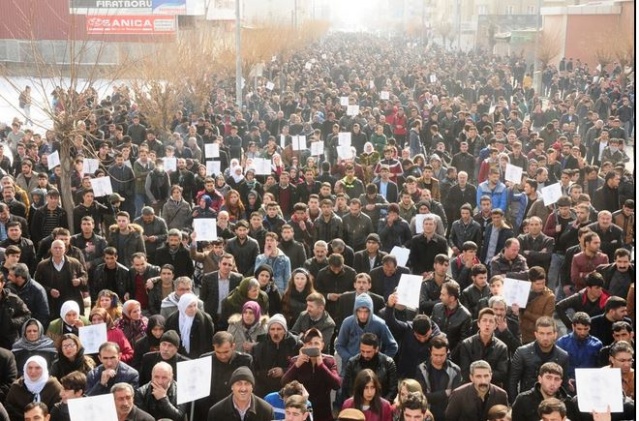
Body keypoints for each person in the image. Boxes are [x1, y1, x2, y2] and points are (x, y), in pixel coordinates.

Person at [282, 328, 341, 421]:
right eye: (309, 344)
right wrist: (297, 365)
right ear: (304, 346)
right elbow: (284, 381)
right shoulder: (296, 360)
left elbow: (337, 384)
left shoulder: (329, 361)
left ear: (322, 345)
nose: (313, 347)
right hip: (302, 412)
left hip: (323, 413)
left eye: (316, 344)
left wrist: (321, 365)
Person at [508, 317, 569, 402]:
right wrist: (515, 405)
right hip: (527, 402)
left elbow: (564, 385)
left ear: (555, 334)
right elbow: (512, 381)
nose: (545, 337)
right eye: (541, 333)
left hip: (552, 404)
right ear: (536, 334)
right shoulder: (522, 352)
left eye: (549, 333)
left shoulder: (563, 356)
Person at [336, 293, 398, 370]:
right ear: (355, 311)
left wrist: (381, 362)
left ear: (371, 311)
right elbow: (339, 345)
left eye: (366, 312)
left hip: (373, 369)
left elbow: (392, 346)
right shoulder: (347, 323)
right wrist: (350, 359)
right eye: (359, 311)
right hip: (350, 368)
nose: (362, 315)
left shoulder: (380, 324)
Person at [34, 240, 86, 323]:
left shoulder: (74, 263)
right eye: (55, 248)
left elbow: (84, 276)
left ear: (64, 249)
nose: (58, 250)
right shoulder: (42, 265)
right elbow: (37, 284)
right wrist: (49, 290)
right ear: (51, 250)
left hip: (72, 300)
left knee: (73, 324)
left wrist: (79, 281)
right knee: (55, 327)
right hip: (52, 303)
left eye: (60, 248)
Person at [457, 308, 509, 387]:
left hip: (492, 388)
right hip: (471, 387)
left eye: (491, 321)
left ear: (495, 326)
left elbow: (502, 374)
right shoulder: (467, 344)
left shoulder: (501, 347)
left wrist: (480, 375)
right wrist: (483, 375)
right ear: (478, 323)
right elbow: (465, 372)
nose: (487, 324)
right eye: (484, 320)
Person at [251, 314, 301, 396]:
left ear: (285, 331)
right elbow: (255, 371)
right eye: (272, 329)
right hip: (265, 391)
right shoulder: (259, 347)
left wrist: (283, 371)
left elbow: (301, 369)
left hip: (290, 391)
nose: (275, 333)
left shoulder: (295, 345)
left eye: (279, 329)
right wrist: (267, 373)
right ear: (268, 331)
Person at [341, 333, 398, 404]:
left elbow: (393, 389)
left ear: (376, 349)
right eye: (362, 351)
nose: (365, 355)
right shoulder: (352, 363)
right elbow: (347, 389)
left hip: (381, 406)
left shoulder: (388, 363)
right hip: (358, 405)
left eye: (368, 352)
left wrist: (382, 405)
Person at [444, 360, 508, 421]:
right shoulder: (458, 394)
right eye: (478, 376)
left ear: (491, 376)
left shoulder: (501, 395)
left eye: (486, 376)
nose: (483, 381)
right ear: (471, 377)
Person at [5, 356, 63, 421]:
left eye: (37, 368)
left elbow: (59, 410)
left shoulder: (54, 386)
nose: (33, 371)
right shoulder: (17, 387)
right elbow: (10, 409)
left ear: (44, 369)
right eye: (29, 368)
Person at [207, 367, 274, 421]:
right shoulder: (216, 412)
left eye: (247, 383)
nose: (243, 388)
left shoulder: (266, 410)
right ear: (232, 387)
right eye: (239, 384)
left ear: (252, 387)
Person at [165, 293, 214, 359]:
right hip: (178, 357)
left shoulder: (205, 319)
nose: (193, 309)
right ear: (183, 306)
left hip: (199, 358)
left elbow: (209, 341)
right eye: (189, 306)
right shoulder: (172, 319)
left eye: (195, 305)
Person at [430, 280, 471, 354]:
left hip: (453, 355)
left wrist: (449, 355)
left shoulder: (465, 316)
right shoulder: (436, 308)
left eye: (443, 295)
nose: (440, 297)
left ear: (452, 298)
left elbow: (462, 342)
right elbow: (431, 329)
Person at [6, 263, 49, 329]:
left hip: (29, 329)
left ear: (19, 277)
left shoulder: (38, 290)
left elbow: (43, 315)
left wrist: (34, 330)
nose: (8, 277)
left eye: (11, 275)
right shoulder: (8, 287)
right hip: (12, 330)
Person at [520, 267, 555, 344]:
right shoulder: (522, 291)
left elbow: (546, 319)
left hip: (537, 336)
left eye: (543, 283)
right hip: (520, 333)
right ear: (530, 282)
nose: (541, 286)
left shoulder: (549, 297)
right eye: (537, 284)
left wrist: (526, 314)